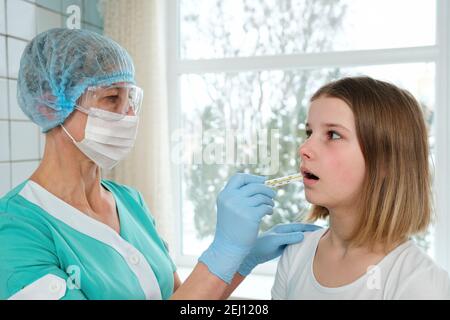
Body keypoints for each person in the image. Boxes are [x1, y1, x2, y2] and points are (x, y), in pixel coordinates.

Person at [0, 28, 318, 300]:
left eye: (131, 100)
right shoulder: (15, 232)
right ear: (48, 103)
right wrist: (224, 251)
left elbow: (181, 298)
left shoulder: (129, 201)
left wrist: (241, 260)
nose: (128, 116)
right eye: (112, 98)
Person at [272, 76, 450, 299]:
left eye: (333, 135)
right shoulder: (296, 254)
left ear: (386, 161)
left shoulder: (421, 284)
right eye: (309, 133)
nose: (304, 148)